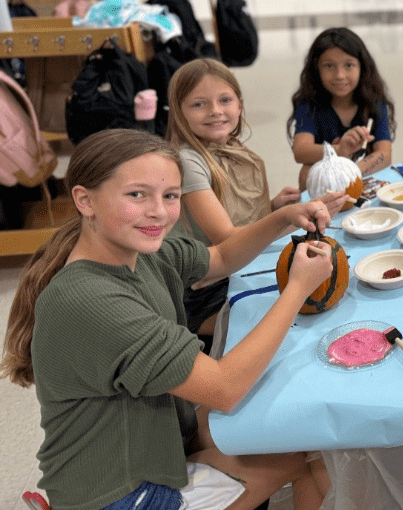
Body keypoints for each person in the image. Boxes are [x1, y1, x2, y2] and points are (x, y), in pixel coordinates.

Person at [1, 129, 334, 510]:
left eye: (170, 196)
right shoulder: (91, 301)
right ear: (84, 200)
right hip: (120, 495)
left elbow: (222, 256)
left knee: (277, 419)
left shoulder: (139, 252)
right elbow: (226, 388)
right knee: (305, 454)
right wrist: (298, 289)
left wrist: (282, 218)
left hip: (154, 441)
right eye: (136, 195)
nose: (158, 211)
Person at [166, 58, 345, 340]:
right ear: (178, 112)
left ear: (239, 104)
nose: (215, 111)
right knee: (296, 324)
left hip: (238, 266)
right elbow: (226, 240)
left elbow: (236, 219)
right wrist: (284, 219)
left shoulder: (230, 146)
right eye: (198, 104)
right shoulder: (188, 161)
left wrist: (273, 208)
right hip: (203, 293)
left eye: (225, 100)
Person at [288, 27, 396, 190]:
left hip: (362, 174)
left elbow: (384, 154)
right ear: (317, 69)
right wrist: (339, 150)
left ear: (362, 67)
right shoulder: (309, 103)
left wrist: (349, 174)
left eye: (349, 65)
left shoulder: (374, 101)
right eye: (329, 66)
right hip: (326, 178)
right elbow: (300, 151)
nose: (339, 75)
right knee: (306, 172)